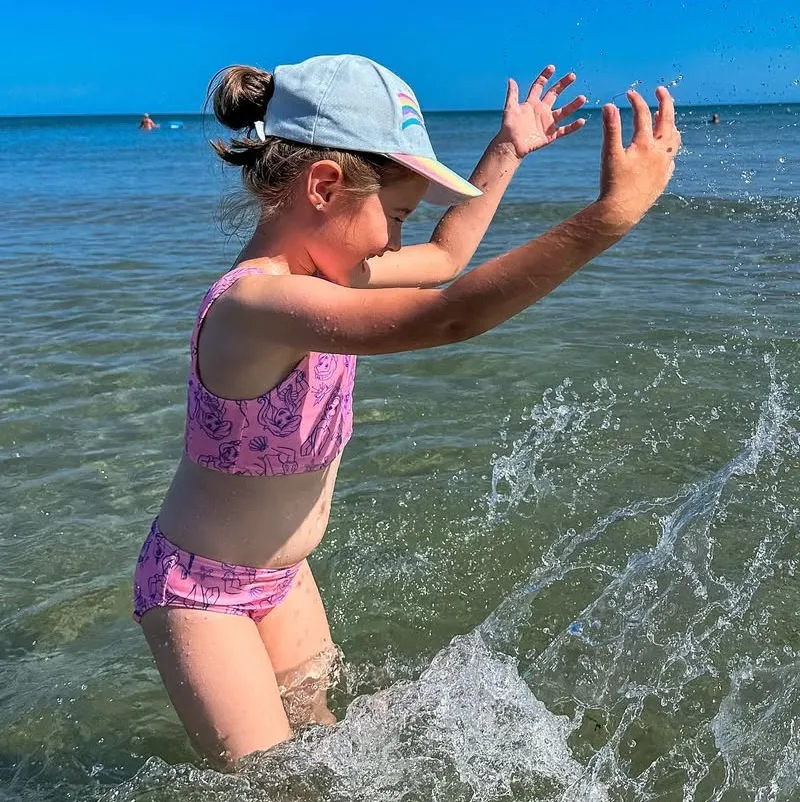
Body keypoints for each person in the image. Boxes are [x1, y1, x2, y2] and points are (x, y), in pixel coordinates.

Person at [132, 54, 679, 769]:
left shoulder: (334, 273)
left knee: (325, 753)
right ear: (325, 187)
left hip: (285, 577)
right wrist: (610, 217)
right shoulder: (256, 305)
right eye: (394, 216)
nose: (395, 243)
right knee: (275, 783)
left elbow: (448, 255)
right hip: (201, 592)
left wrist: (508, 149)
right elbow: (449, 317)